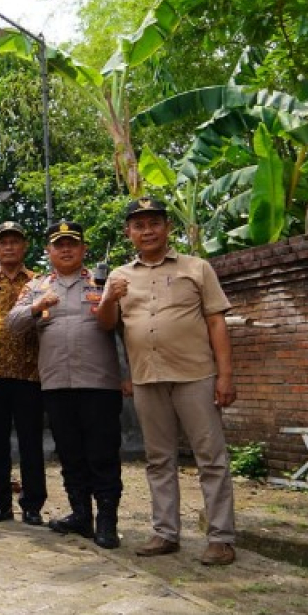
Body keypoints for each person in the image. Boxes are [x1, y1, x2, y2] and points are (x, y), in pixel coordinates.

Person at [98, 197, 238, 566]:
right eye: (139, 225)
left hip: (196, 375)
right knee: (159, 459)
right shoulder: (119, 275)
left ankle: (221, 538)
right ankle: (165, 533)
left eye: (154, 223)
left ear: (167, 227)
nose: (147, 230)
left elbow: (216, 322)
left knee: (211, 458)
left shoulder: (197, 268)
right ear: (129, 232)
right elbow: (107, 324)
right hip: (147, 377)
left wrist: (225, 375)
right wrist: (108, 298)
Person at [7, 220, 127, 549]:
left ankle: (107, 520)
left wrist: (128, 376)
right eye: (58, 245)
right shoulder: (37, 286)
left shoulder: (104, 281)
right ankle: (80, 514)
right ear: (48, 252)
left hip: (99, 383)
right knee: (70, 454)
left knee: (102, 454)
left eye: (72, 243)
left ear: (83, 249)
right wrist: (36, 307)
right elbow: (12, 324)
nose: (66, 249)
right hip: (56, 384)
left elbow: (124, 330)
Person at [0, 221, 46, 525]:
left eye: (15, 241)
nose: (9, 247)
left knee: (31, 442)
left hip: (30, 372)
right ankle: (0, 503)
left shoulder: (38, 282)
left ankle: (32, 505)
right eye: (3, 242)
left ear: (24, 246)